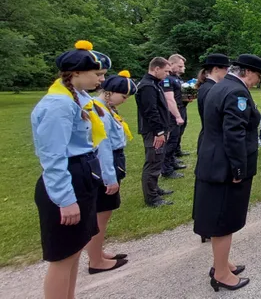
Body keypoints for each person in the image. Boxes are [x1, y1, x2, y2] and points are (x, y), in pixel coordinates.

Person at [31, 40, 111, 299]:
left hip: (82, 174)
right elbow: (53, 157)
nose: (101, 79)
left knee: (75, 251)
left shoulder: (77, 98)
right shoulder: (59, 105)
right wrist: (65, 200)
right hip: (67, 180)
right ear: (75, 73)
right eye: (96, 74)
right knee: (63, 258)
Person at [194, 54, 261, 292]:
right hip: (225, 167)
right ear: (247, 71)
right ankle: (221, 274)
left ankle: (222, 263)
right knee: (224, 220)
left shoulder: (220, 85)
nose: (258, 81)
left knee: (220, 217)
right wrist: (238, 168)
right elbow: (233, 133)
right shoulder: (237, 92)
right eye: (258, 75)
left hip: (214, 162)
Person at [86, 71, 137, 274]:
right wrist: (109, 178)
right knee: (101, 215)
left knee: (102, 214)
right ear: (110, 92)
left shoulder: (105, 108)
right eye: (123, 96)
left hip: (113, 160)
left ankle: (98, 252)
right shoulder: (100, 112)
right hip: (107, 164)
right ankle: (95, 261)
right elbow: (103, 147)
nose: (124, 101)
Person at [194, 53, 231, 244]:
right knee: (210, 189)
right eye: (225, 69)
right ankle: (207, 226)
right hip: (212, 138)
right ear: (216, 69)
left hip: (208, 137)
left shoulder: (209, 87)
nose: (228, 72)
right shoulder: (210, 89)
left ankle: (206, 226)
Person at [136, 57, 174, 207]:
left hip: (159, 129)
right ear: (156, 68)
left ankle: (155, 189)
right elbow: (150, 111)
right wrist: (159, 132)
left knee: (158, 160)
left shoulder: (154, 84)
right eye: (165, 71)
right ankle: (152, 198)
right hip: (153, 131)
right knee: (152, 162)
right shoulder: (147, 86)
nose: (167, 74)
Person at [161, 54, 188, 178]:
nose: (183, 68)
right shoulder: (167, 79)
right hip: (173, 113)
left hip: (181, 109)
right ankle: (166, 169)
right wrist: (177, 116)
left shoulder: (176, 78)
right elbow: (169, 99)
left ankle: (172, 161)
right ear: (171, 64)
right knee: (171, 140)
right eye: (180, 66)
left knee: (176, 138)